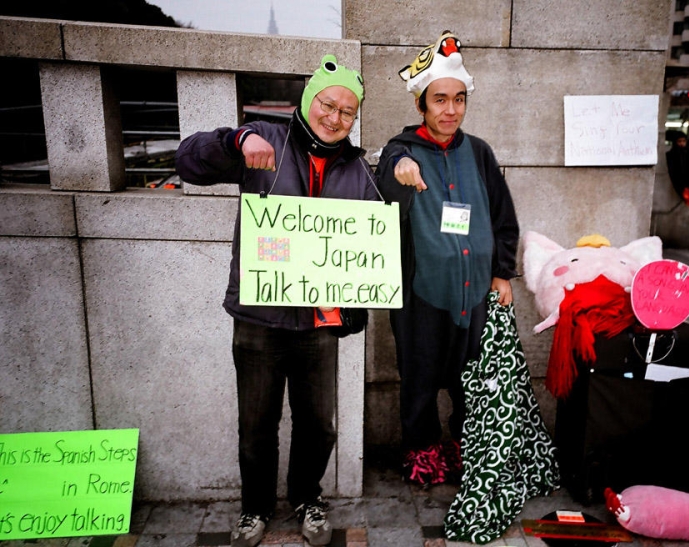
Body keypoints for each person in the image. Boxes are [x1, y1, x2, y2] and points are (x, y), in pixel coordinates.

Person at [175, 55, 377, 547]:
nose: (335, 118)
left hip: (318, 323)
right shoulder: (266, 138)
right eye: (328, 104)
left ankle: (307, 498)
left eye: (347, 112)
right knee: (256, 425)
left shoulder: (358, 170)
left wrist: (357, 302)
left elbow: (370, 250)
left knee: (319, 426)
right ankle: (255, 508)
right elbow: (188, 162)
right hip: (259, 318)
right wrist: (236, 140)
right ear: (310, 100)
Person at [375, 31, 519, 486]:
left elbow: (502, 216)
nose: (450, 110)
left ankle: (463, 449)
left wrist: (502, 273)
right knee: (418, 378)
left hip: (475, 291)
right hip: (421, 292)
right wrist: (398, 165)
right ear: (421, 104)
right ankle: (421, 454)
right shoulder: (402, 150)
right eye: (440, 100)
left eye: (459, 100)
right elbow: (386, 180)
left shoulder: (479, 152)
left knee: (470, 380)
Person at [665, 131, 688, 201]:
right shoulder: (670, 156)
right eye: (679, 141)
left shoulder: (688, 155)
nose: (682, 144)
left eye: (684, 141)